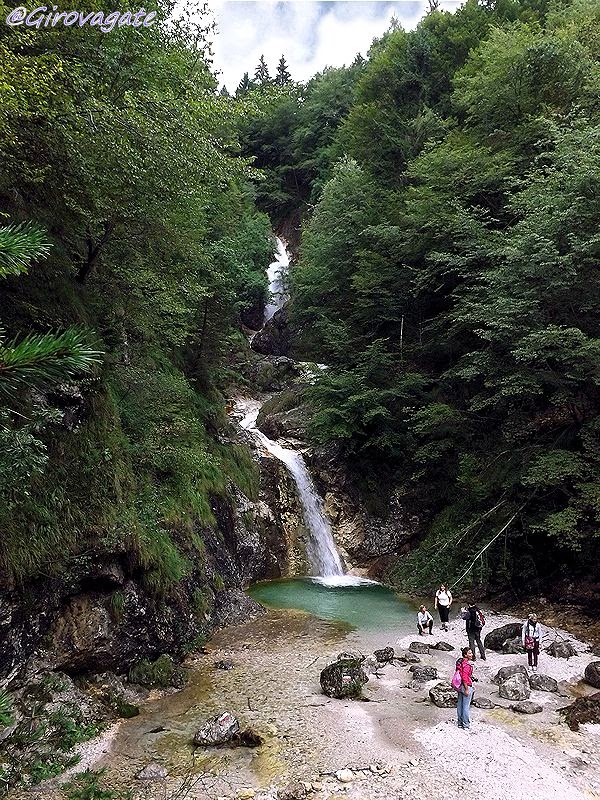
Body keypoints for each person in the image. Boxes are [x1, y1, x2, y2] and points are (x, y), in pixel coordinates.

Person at [456, 647, 474, 730]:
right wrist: (467, 689)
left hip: (459, 686)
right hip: (466, 685)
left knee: (460, 704)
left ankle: (460, 722)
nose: (472, 654)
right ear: (465, 655)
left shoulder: (460, 663)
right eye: (470, 653)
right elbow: (464, 677)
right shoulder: (467, 665)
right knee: (466, 706)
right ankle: (466, 724)